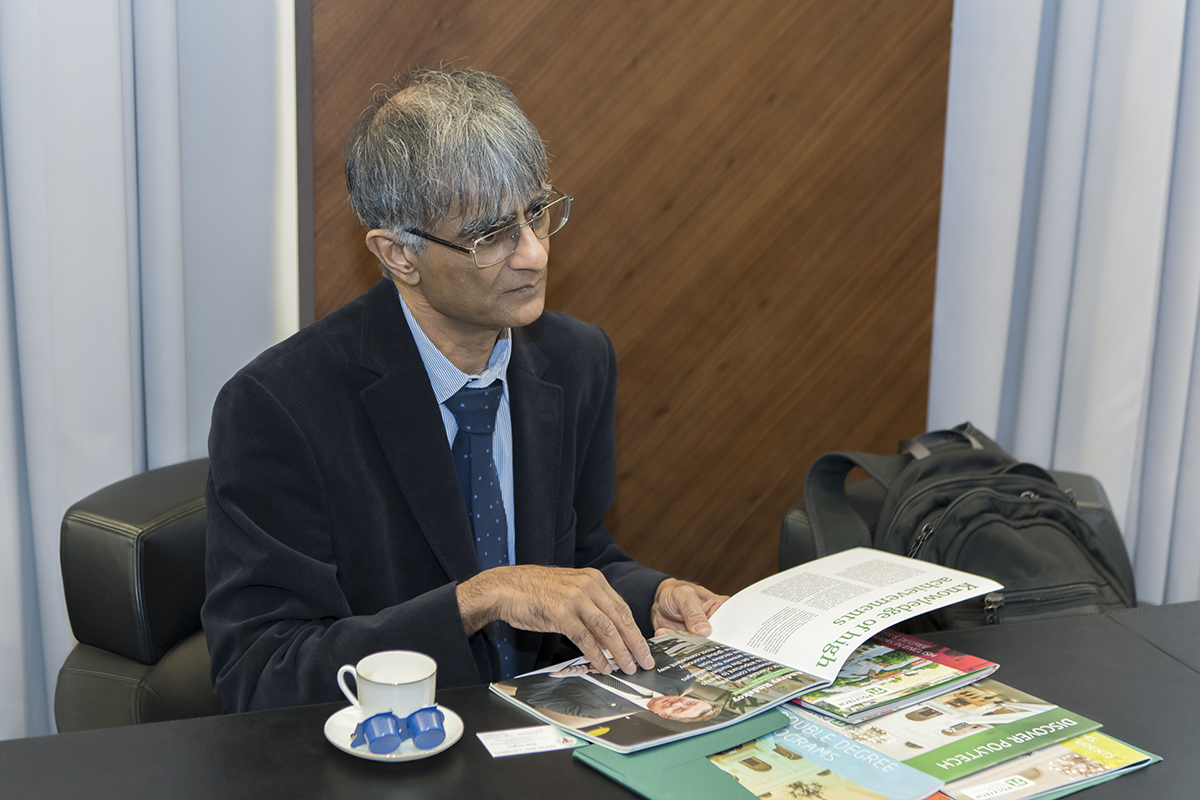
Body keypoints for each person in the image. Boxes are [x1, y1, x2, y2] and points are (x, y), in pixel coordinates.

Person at [201, 66, 727, 712]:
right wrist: (481, 598)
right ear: (398, 254)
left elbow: (579, 552)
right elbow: (262, 673)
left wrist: (653, 597)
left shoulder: (575, 361)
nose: (534, 254)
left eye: (536, 213)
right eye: (491, 236)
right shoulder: (278, 409)